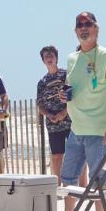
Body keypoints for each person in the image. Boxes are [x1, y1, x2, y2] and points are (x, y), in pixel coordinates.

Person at [59, 12, 106, 211]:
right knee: (68, 178)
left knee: (99, 179)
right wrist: (64, 95)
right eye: (79, 25)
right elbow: (71, 88)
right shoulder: (71, 58)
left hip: (98, 129)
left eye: (88, 24)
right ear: (75, 30)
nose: (83, 28)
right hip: (76, 128)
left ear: (96, 28)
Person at [36, 45, 72, 184]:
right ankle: (58, 185)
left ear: (56, 58)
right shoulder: (42, 82)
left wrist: (64, 112)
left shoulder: (66, 75)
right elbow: (40, 105)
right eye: (46, 57)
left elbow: (74, 97)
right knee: (57, 155)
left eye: (51, 55)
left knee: (77, 154)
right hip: (53, 124)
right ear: (43, 61)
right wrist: (49, 115)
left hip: (70, 121)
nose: (49, 58)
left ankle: (82, 184)